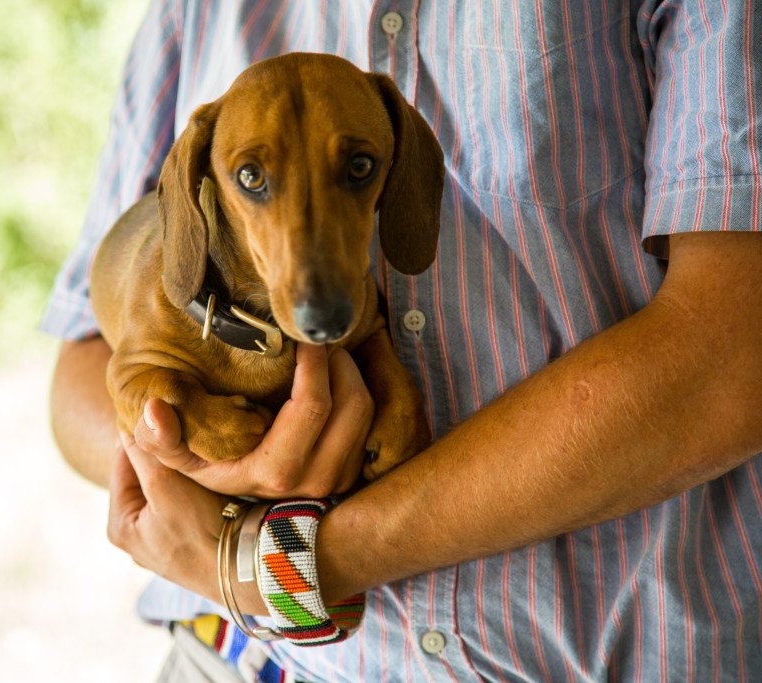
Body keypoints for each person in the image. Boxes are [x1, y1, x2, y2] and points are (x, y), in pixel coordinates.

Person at [44, 1, 762, 680]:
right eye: (254, 177)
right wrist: (197, 464)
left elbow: (735, 356)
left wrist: (285, 564)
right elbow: (83, 368)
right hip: (235, 660)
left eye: (360, 167)